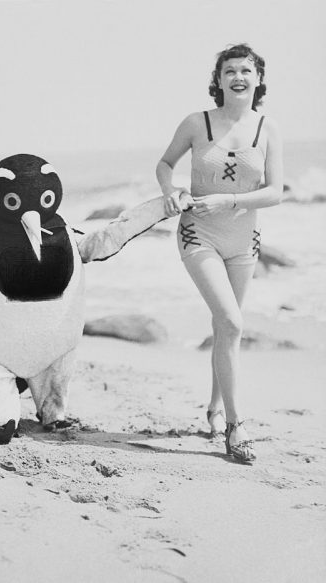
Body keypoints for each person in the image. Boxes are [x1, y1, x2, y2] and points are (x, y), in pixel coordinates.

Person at [156, 44, 283, 464]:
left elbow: (274, 192)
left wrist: (228, 200)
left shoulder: (268, 129)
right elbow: (165, 165)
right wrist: (171, 192)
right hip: (199, 236)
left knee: (224, 328)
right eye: (230, 70)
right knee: (231, 322)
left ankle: (213, 409)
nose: (238, 77)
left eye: (246, 70)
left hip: (245, 242)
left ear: (258, 79)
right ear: (219, 79)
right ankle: (235, 425)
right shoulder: (197, 123)